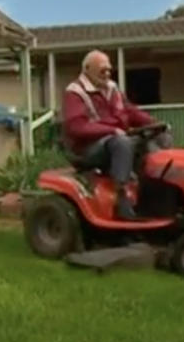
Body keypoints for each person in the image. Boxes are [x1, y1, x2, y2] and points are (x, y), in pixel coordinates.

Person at [63, 50, 172, 220]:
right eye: (102, 70)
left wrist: (154, 123)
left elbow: (128, 110)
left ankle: (158, 195)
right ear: (87, 69)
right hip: (87, 148)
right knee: (122, 142)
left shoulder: (111, 88)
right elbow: (76, 126)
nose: (107, 74)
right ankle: (121, 198)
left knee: (159, 138)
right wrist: (111, 130)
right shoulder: (76, 92)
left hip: (115, 139)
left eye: (108, 70)